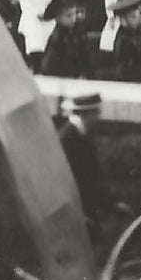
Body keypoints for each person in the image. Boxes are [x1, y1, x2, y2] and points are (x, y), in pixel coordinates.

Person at [56, 92, 107, 236]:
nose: (98, 118)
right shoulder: (66, 139)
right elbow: (61, 182)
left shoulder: (87, 135)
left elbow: (93, 177)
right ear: (87, 114)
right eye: (96, 113)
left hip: (87, 213)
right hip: (73, 215)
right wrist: (77, 215)